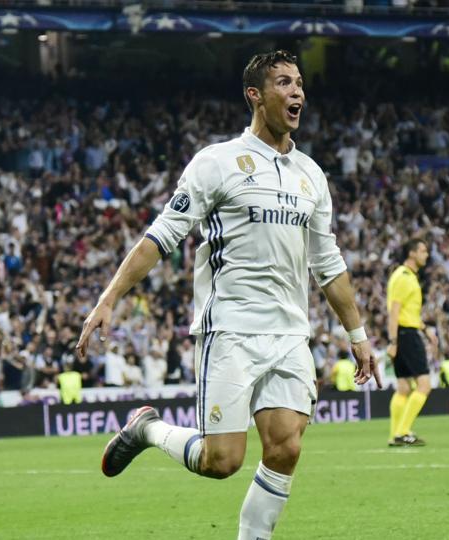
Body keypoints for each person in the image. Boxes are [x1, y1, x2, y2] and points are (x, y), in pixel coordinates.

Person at [75, 50, 379, 540]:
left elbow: (329, 265)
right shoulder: (216, 163)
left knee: (285, 447)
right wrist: (109, 298)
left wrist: (357, 334)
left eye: (299, 82)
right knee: (223, 461)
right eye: (284, 82)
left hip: (288, 331)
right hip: (231, 328)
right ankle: (147, 429)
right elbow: (161, 236)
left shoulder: (311, 176)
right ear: (255, 95)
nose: (297, 91)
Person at [386, 238, 431, 447]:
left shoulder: (406, 276)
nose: (426, 255)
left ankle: (395, 434)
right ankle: (403, 432)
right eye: (423, 251)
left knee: (404, 387)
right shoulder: (404, 277)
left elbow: (406, 311)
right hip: (406, 335)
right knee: (424, 385)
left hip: (408, 331)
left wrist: (425, 329)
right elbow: (394, 312)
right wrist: (393, 341)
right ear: (412, 253)